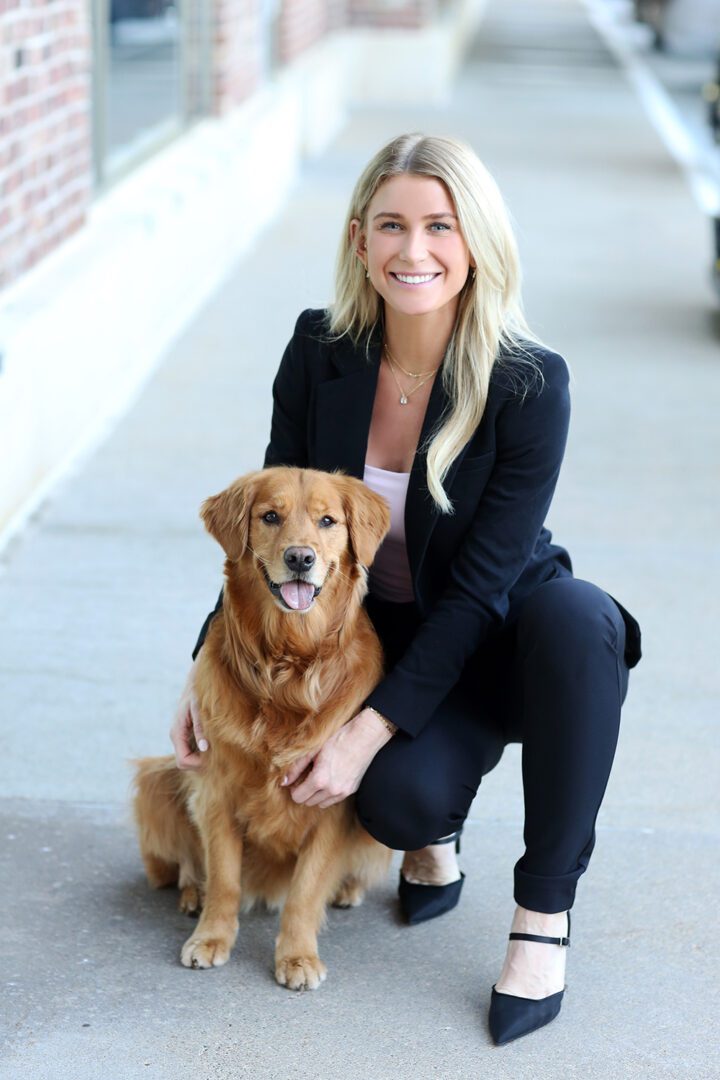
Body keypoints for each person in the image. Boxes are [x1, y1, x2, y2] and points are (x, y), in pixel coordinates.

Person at [170, 133, 641, 1045]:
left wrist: (362, 733)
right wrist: (206, 664)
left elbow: (476, 590)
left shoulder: (528, 383)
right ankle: (436, 826)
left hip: (499, 628)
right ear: (359, 240)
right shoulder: (320, 351)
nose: (413, 250)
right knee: (394, 806)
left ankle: (543, 917)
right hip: (376, 640)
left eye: (439, 225)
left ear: (476, 242)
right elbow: (270, 531)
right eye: (392, 225)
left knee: (582, 623)